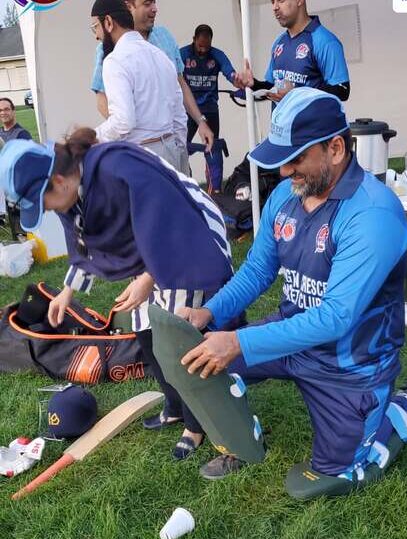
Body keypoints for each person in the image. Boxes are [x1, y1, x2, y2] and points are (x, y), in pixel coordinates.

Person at [177, 88, 407, 498]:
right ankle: (242, 439)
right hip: (292, 334)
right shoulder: (287, 195)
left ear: (336, 149)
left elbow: (335, 318)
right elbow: (258, 269)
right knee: (204, 362)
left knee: (338, 476)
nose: (284, 171)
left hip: (349, 361)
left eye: (295, 158)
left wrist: (238, 341)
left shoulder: (373, 214)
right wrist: (210, 314)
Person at [0, 131, 240, 461]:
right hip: (151, 256)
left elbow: (171, 225)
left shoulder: (121, 168)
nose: (49, 211)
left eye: (44, 203)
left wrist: (148, 279)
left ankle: (195, 425)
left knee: (179, 341)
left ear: (58, 180)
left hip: (190, 245)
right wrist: (67, 292)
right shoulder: (71, 189)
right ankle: (174, 407)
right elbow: (82, 242)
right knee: (145, 333)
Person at [91, 0, 214, 155]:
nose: (155, 9)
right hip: (147, 147)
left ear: (108, 22)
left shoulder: (163, 38)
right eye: (147, 3)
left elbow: (180, 86)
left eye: (154, 2)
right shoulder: (111, 51)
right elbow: (102, 99)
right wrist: (136, 135)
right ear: (128, 7)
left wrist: (196, 125)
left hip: (160, 149)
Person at [236, 0, 350, 104]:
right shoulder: (279, 42)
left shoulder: (325, 41)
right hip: (281, 121)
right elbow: (273, 86)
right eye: (272, 2)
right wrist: (254, 84)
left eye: (281, 1)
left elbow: (342, 90)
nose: (275, 7)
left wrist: (296, 94)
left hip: (313, 120)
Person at [180, 24, 239, 192]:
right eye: (200, 46)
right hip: (188, 110)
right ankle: (185, 185)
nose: (203, 50)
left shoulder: (217, 55)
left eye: (207, 47)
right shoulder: (182, 54)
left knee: (212, 149)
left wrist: (237, 80)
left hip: (210, 109)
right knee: (181, 147)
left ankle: (215, 191)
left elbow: (230, 73)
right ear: (193, 40)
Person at [0, 97, 31, 234]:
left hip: (17, 187)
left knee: (23, 233)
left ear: (13, 111)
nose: (3, 113)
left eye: (6, 109)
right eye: (0, 110)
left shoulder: (22, 134)